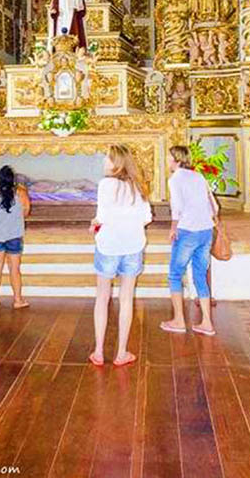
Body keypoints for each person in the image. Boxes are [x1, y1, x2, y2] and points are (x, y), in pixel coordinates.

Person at [89, 144, 152, 368]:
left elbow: (102, 216)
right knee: (126, 299)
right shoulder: (138, 186)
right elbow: (147, 218)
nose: (103, 160)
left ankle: (98, 351)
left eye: (107, 157)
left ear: (116, 162)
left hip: (108, 245)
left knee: (102, 298)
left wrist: (95, 224)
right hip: (133, 245)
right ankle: (122, 352)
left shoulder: (106, 184)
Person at [161, 145, 217, 337]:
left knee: (175, 274)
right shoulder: (198, 176)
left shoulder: (175, 179)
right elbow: (213, 205)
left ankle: (178, 320)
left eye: (169, 157)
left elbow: (177, 207)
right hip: (205, 230)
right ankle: (207, 323)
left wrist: (173, 227)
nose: (167, 160)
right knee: (200, 275)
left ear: (176, 159)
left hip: (188, 230)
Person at [0, 166, 31, 309]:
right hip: (14, 234)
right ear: (13, 179)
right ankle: (17, 300)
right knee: (15, 269)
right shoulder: (21, 192)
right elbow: (26, 212)